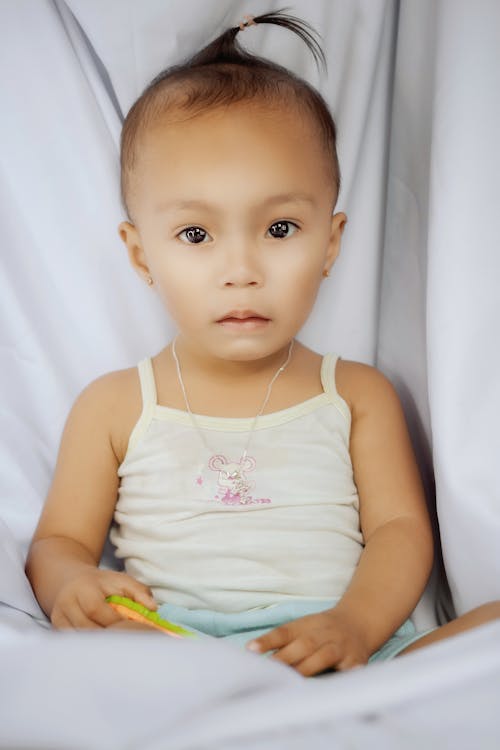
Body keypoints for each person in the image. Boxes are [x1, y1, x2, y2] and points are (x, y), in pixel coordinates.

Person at [25, 9, 499, 678]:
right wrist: (72, 582)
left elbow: (400, 532)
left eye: (279, 229)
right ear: (140, 255)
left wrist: (355, 625)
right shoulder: (115, 405)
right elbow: (58, 541)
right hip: (176, 651)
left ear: (330, 243)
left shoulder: (355, 392)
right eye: (197, 235)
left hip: (341, 646)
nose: (241, 268)